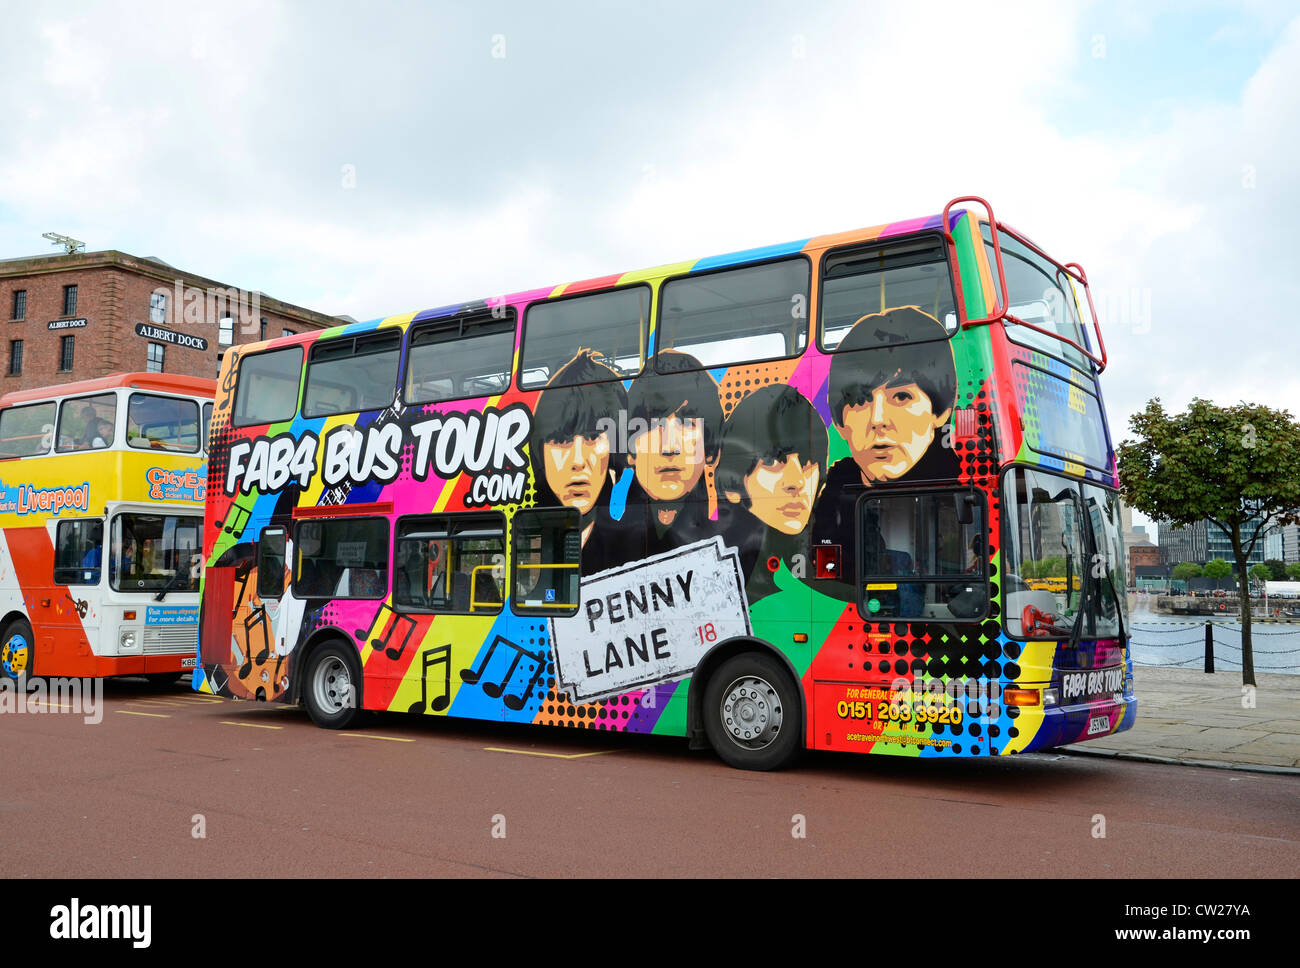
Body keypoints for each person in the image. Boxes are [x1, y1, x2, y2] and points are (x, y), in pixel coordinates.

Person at [810, 307, 960, 596]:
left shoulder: (958, 483)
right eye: (861, 400)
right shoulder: (827, 499)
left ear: (940, 413)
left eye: (901, 396)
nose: (877, 419)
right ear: (840, 424)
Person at [716, 385, 827, 602]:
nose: (796, 483)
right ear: (733, 485)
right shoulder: (723, 574)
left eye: (807, 462)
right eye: (772, 461)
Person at [615, 350, 724, 564]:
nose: (669, 447)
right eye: (653, 425)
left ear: (711, 450)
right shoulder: (605, 544)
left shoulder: (733, 537)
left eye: (687, 424)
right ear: (629, 451)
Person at [527, 349, 629, 575]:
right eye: (562, 441)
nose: (578, 461)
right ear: (540, 452)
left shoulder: (630, 537)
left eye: (593, 437)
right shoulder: (544, 533)